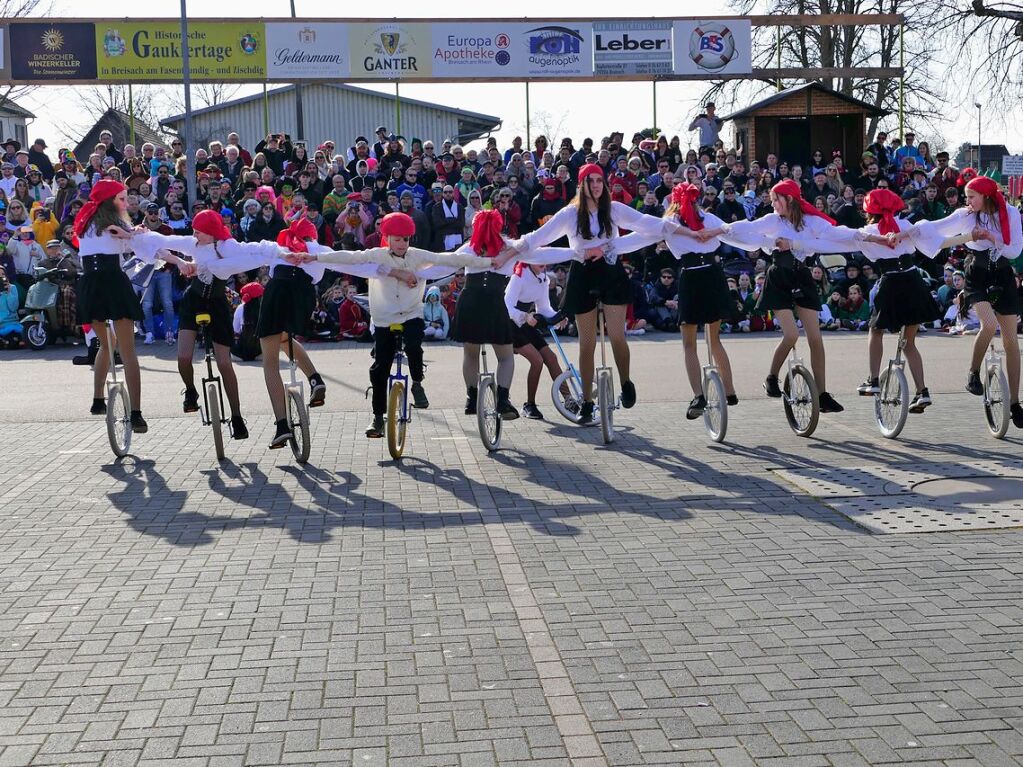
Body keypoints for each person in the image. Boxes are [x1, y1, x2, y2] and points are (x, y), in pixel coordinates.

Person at [290, 212, 500, 438]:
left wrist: (488, 262)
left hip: (411, 313)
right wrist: (316, 258)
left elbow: (452, 260)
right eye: (397, 239)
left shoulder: (417, 255)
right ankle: (377, 417)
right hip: (384, 317)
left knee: (413, 347)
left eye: (406, 239)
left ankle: (418, 383)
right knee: (380, 368)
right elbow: (348, 257)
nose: (402, 244)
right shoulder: (377, 255)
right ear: (386, 237)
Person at [509, 164, 684, 425]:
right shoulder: (570, 214)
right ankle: (588, 404)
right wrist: (511, 248)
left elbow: (644, 223)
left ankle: (625, 382)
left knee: (616, 336)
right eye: (590, 181)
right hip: (582, 275)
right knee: (586, 343)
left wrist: (677, 225)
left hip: (611, 273)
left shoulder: (613, 209)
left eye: (599, 180)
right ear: (582, 185)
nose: (596, 185)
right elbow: (539, 236)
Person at [701, 179, 893, 414]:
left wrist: (879, 238)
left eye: (775, 200)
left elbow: (842, 233)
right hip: (778, 278)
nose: (773, 204)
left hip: (801, 276)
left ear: (788, 199)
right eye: (771, 200)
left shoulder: (811, 222)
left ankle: (822, 394)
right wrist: (714, 231)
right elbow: (745, 227)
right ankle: (772, 376)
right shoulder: (773, 220)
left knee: (816, 338)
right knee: (791, 335)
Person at [901, 176, 1023, 426]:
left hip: (1002, 274)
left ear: (985, 196)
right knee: (988, 325)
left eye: (971, 197)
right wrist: (905, 231)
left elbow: (1014, 250)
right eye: (966, 197)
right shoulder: (967, 214)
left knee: (1011, 341)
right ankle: (973, 372)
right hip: (977, 274)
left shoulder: (1009, 212)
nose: (967, 202)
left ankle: (1014, 403)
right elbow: (936, 227)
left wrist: (990, 236)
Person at [615, 183, 738, 419]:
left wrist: (613, 247)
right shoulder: (708, 218)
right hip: (713, 274)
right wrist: (711, 233)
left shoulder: (669, 222)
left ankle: (699, 395)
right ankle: (730, 391)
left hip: (692, 275)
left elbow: (639, 238)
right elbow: (730, 230)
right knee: (714, 338)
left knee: (689, 342)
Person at [77, 180, 190, 432]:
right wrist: (178, 261)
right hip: (113, 284)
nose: (125, 203)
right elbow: (150, 249)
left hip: (89, 286)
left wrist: (133, 234)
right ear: (111, 201)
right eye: (121, 198)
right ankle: (137, 414)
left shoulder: (83, 224)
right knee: (128, 353)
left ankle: (97, 400)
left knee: (106, 346)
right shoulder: (116, 224)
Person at [849, 189, 943, 410]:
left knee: (876, 330)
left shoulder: (867, 230)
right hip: (913, 280)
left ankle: (873, 380)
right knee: (909, 342)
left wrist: (873, 238)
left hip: (891, 280)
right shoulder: (906, 225)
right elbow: (924, 234)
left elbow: (862, 248)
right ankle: (922, 391)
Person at [505, 260, 571, 419]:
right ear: (528, 260)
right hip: (509, 324)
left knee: (551, 358)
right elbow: (507, 306)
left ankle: (569, 400)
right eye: (539, 258)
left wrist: (558, 317)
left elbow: (544, 308)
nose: (543, 261)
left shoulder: (543, 279)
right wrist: (525, 316)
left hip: (527, 323)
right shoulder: (518, 277)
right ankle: (530, 405)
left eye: (545, 258)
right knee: (537, 361)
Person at [232, 281, 263, 362]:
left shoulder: (240, 308)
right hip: (261, 351)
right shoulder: (265, 308)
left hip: (241, 352)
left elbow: (236, 330)